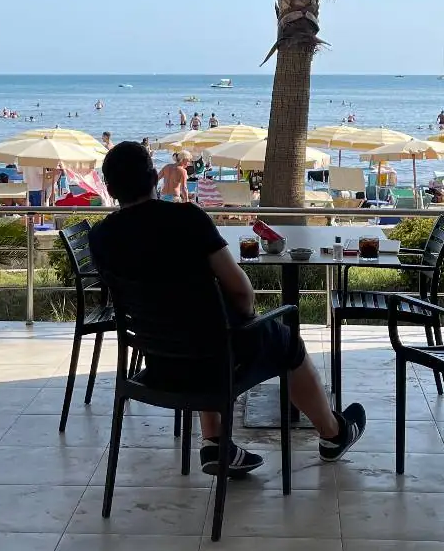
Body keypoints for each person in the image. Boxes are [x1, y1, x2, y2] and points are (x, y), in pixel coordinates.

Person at [91, 141, 365, 477]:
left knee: (206, 336)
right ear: (153, 178)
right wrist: (249, 323)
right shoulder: (187, 220)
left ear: (110, 187)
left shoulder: (102, 237)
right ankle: (333, 434)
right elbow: (242, 291)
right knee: (285, 339)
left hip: (160, 365)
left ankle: (216, 442)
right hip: (213, 366)